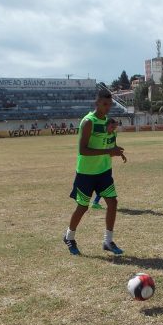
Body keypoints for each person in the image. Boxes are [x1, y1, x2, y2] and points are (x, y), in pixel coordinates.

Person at [64, 91, 126, 256]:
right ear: (97, 103)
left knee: (112, 202)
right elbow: (83, 150)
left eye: (109, 104)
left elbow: (107, 146)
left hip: (104, 171)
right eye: (104, 104)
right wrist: (108, 150)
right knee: (83, 206)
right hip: (86, 172)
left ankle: (108, 241)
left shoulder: (108, 123)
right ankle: (69, 236)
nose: (107, 107)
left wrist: (115, 152)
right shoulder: (88, 122)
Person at [91, 118, 125, 208]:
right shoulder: (101, 135)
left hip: (106, 163)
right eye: (112, 126)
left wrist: (121, 154)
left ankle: (95, 202)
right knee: (103, 184)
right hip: (98, 162)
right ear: (107, 125)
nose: (113, 128)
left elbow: (114, 146)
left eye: (115, 127)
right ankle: (94, 202)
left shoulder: (114, 134)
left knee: (103, 184)